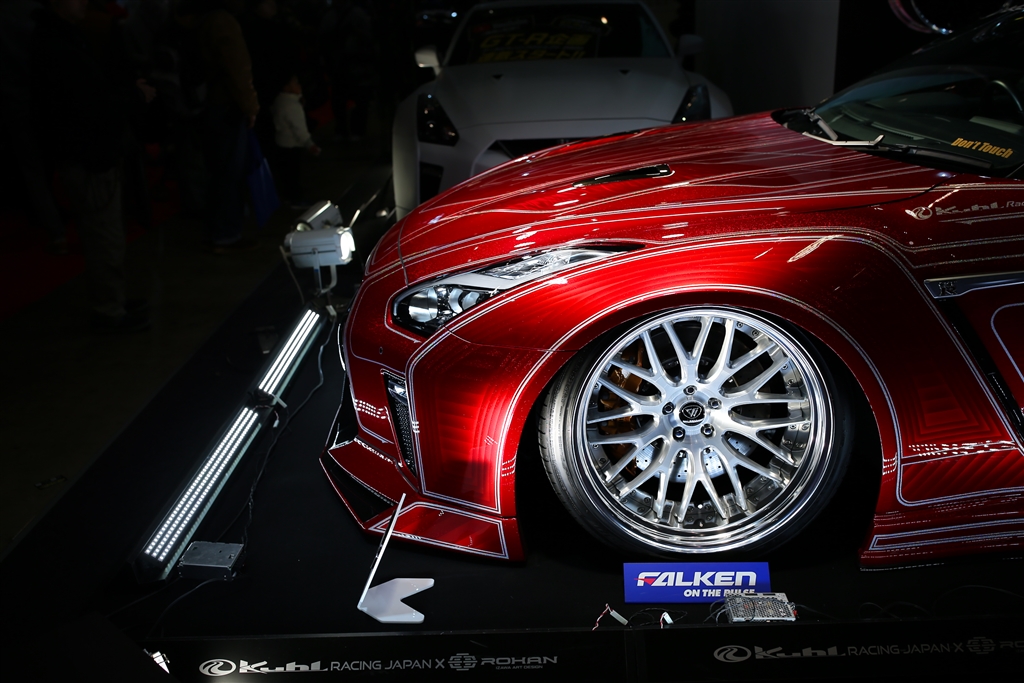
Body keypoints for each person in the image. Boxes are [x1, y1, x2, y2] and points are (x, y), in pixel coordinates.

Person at [32, 0, 152, 331]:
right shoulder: (56, 45)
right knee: (103, 234)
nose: (85, 2)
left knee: (105, 232)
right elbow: (87, 103)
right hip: (88, 156)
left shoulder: (61, 38)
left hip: (89, 153)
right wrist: (133, 97)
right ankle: (109, 310)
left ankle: (112, 300)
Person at [185, 0, 260, 252]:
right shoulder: (222, 21)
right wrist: (250, 106)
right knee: (229, 173)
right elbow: (237, 67)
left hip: (210, 105)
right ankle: (226, 234)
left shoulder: (202, 18)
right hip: (226, 106)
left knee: (217, 171)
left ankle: (216, 231)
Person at [271, 75, 321, 206]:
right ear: (286, 88)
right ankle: (295, 199)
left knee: (287, 174)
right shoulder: (291, 106)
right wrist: (310, 144)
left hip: (282, 143)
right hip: (292, 145)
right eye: (295, 83)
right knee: (293, 173)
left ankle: (290, 196)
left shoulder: (280, 101)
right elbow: (299, 129)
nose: (299, 86)